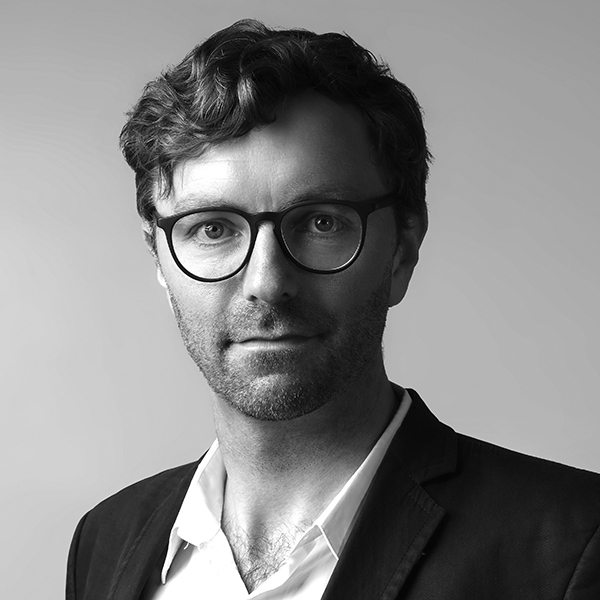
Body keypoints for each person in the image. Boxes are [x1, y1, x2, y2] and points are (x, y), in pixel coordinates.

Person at [66, 19, 600, 600]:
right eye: (213, 228)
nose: (267, 283)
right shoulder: (105, 540)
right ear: (159, 258)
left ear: (401, 250)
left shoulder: (571, 546)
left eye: (322, 223)